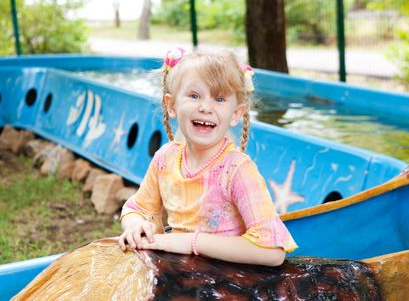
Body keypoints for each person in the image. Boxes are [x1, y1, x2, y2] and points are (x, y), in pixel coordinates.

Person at [117, 49, 296, 266]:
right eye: (194, 96)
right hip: (178, 275)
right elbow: (136, 209)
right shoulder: (166, 159)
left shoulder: (237, 170)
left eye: (219, 99)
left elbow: (272, 252)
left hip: (226, 281)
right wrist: (136, 225)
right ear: (171, 105)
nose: (205, 107)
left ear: (236, 114)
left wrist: (193, 243)